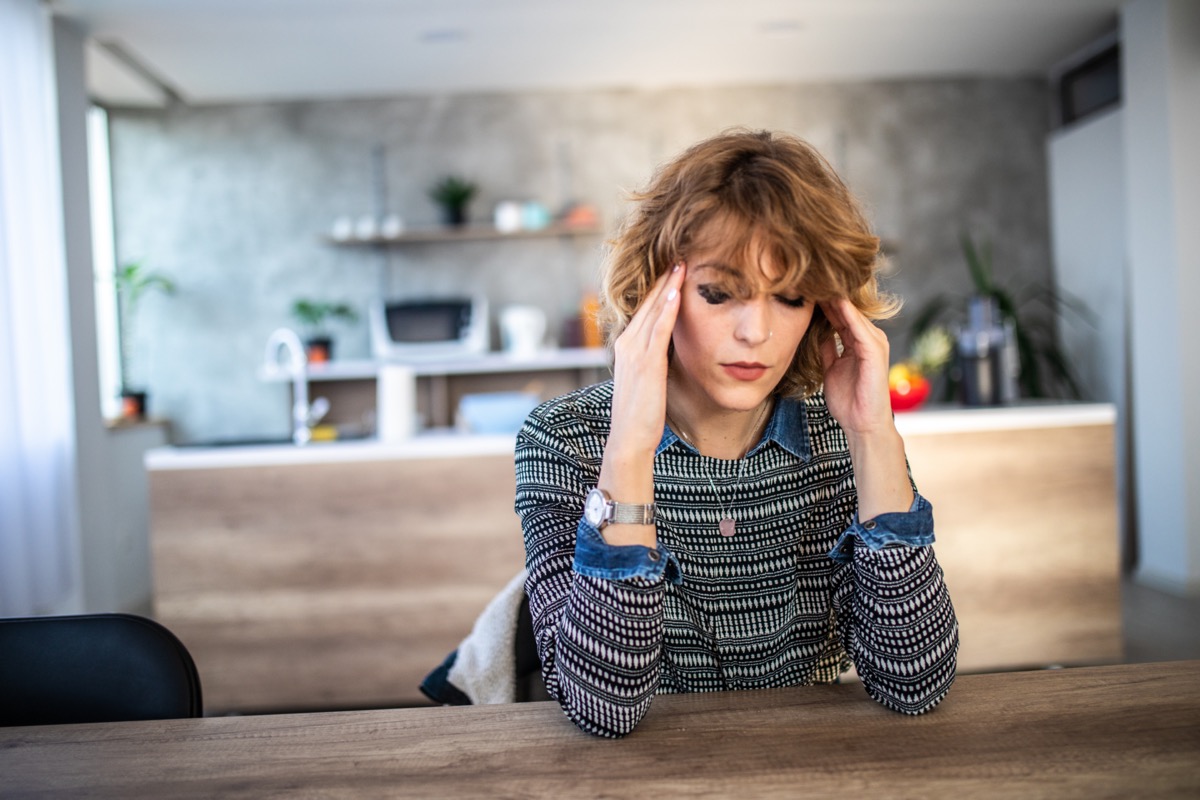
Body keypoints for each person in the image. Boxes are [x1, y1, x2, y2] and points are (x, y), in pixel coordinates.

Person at [514, 129, 958, 738]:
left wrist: (874, 435)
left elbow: (916, 681)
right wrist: (630, 450)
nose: (757, 331)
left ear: (827, 310)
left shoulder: (839, 439)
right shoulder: (562, 439)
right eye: (720, 293)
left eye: (791, 297)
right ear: (654, 292)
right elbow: (602, 709)